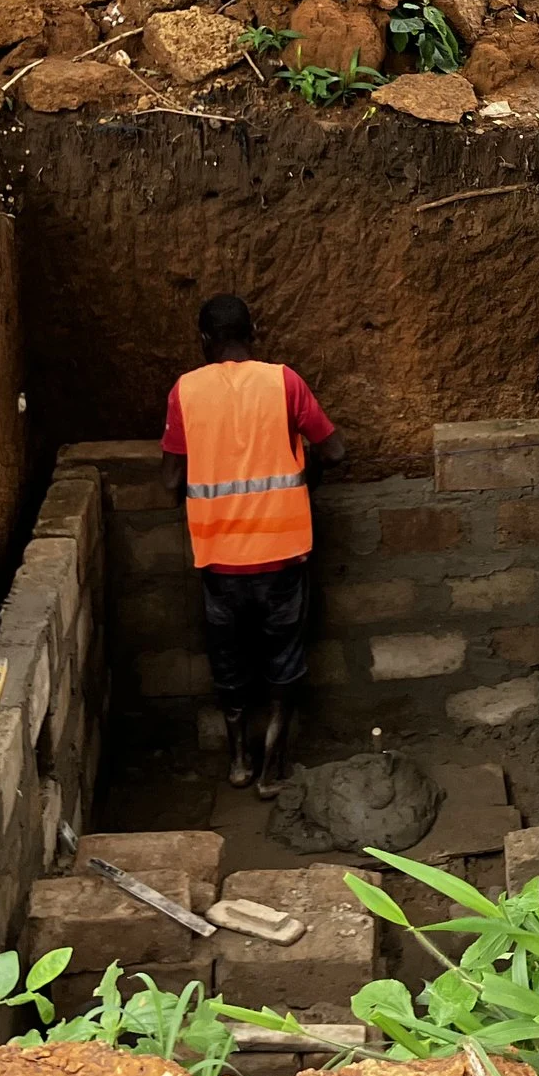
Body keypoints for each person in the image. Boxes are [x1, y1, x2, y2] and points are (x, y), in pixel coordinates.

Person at [159, 294, 346, 799]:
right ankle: (272, 769)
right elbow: (335, 448)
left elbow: (171, 480)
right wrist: (307, 482)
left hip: (219, 563)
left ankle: (239, 761)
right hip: (283, 557)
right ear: (254, 330)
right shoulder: (284, 382)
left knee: (230, 663)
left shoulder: (185, 391)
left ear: (203, 339)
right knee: (284, 659)